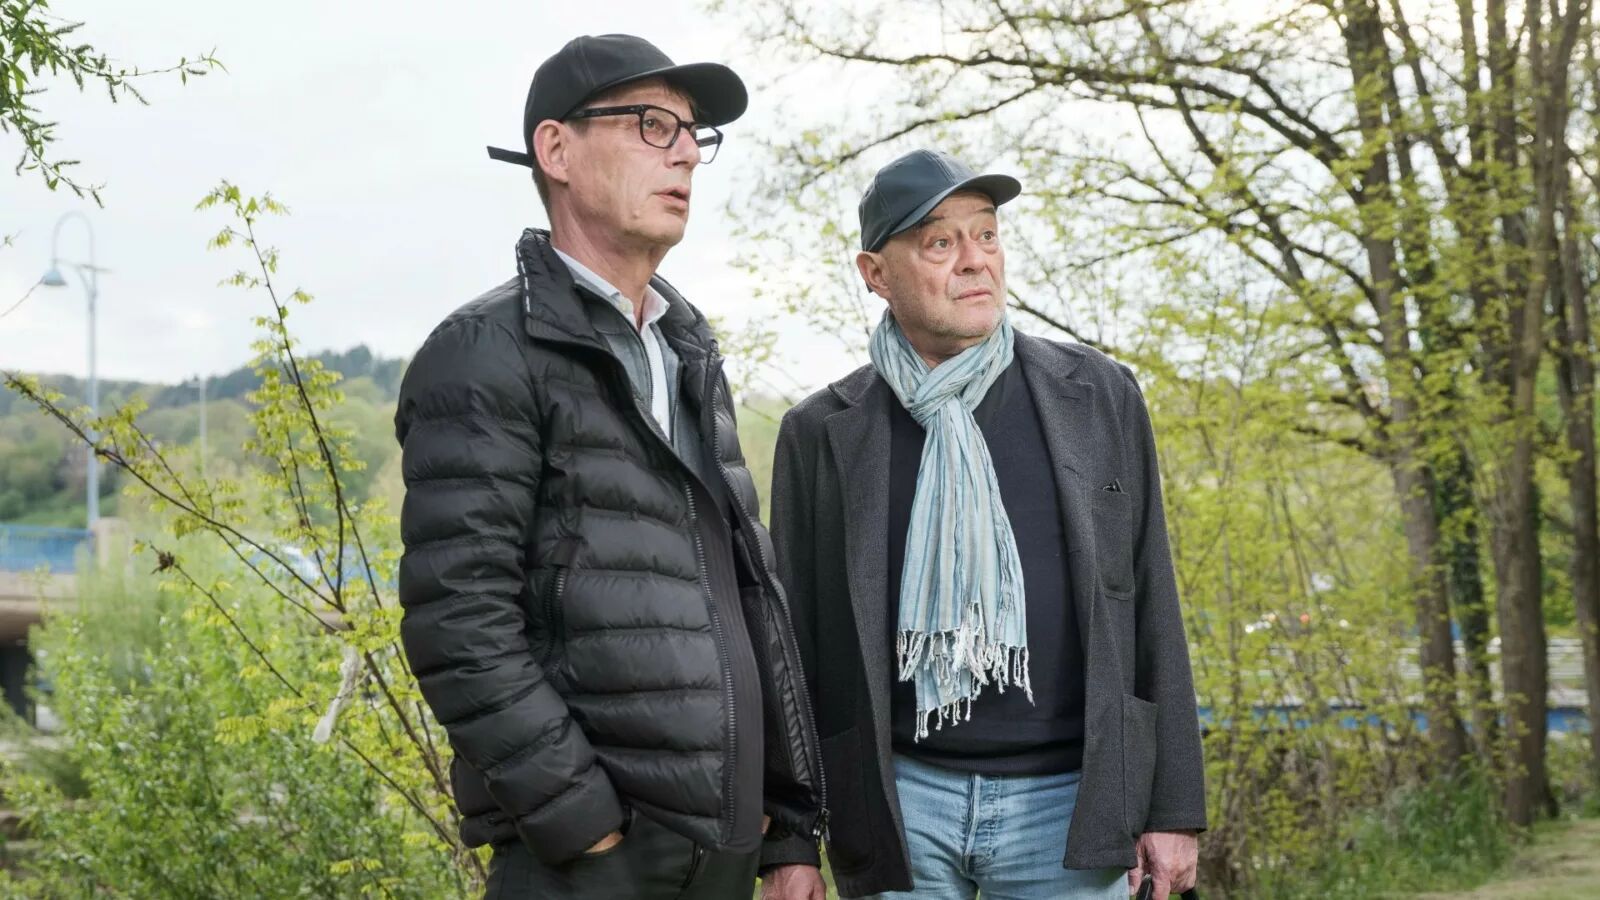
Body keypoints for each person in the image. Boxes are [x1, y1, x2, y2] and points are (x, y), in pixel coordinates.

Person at [394, 33, 825, 899]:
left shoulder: (686, 349)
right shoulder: (484, 353)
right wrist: (584, 827)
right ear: (556, 149)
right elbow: (459, 622)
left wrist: (786, 828)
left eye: (692, 133)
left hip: (722, 851)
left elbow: (744, 592)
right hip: (598, 858)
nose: (685, 157)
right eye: (649, 124)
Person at [760, 149, 1206, 900]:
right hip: (900, 805)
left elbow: (1153, 601)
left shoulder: (1098, 397)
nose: (975, 261)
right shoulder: (822, 433)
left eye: (987, 235)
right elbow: (791, 651)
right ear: (875, 274)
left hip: (1070, 807)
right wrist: (789, 838)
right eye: (940, 242)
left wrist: (1173, 808)